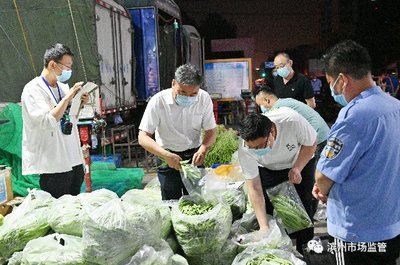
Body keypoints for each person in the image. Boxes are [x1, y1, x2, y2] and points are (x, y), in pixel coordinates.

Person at [313, 40, 400, 265]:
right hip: (391, 226)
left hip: (356, 232)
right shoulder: (394, 106)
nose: (333, 90)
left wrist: (321, 189)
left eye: (331, 83)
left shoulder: (354, 116)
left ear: (343, 79)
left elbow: (324, 176)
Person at [237, 110, 317, 254]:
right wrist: (264, 228)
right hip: (268, 168)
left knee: (303, 206)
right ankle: (276, 246)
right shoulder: (244, 147)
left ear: (272, 131)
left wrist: (298, 168)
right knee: (269, 206)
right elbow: (254, 188)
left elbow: (311, 144)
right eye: (252, 148)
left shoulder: (291, 120)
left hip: (299, 162)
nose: (256, 150)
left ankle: (306, 249)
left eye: (261, 146)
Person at [138, 64, 217, 200]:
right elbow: (143, 137)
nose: (188, 97)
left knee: (197, 200)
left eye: (193, 94)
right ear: (173, 83)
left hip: (194, 158)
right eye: (182, 93)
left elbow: (211, 131)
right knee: (171, 201)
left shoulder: (204, 98)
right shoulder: (158, 101)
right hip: (166, 157)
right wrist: (165, 155)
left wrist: (203, 149)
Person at [21, 43, 89, 198]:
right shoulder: (33, 89)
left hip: (73, 158)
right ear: (52, 64)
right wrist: (67, 98)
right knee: (57, 206)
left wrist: (79, 103)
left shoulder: (62, 87)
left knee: (74, 201)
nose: (69, 71)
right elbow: (47, 121)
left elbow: (71, 117)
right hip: (52, 162)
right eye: (67, 66)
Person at [254, 85, 330, 161]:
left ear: (267, 100)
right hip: (323, 134)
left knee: (316, 169)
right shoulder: (285, 101)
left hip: (318, 139)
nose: (261, 108)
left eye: (260, 105)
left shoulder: (279, 110)